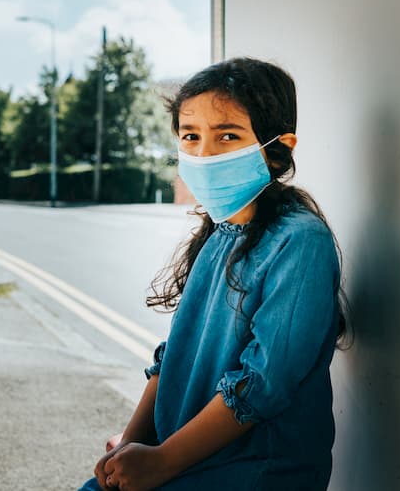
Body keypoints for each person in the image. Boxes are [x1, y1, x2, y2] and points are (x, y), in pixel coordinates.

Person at [79, 57, 350, 491]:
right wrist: (129, 447)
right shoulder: (218, 234)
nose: (204, 154)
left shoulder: (300, 241)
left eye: (227, 135)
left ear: (278, 147)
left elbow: (261, 385)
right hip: (182, 459)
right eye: (190, 136)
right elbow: (174, 355)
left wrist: (162, 461)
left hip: (256, 472)